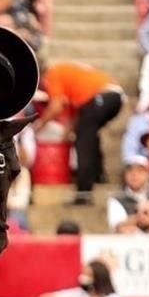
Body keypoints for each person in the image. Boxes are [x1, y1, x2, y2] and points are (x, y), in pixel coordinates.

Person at [31, 60, 125, 205]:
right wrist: (68, 132)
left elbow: (55, 107)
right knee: (88, 132)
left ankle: (84, 193)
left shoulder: (52, 73)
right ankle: (98, 175)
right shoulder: (68, 74)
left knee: (84, 141)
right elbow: (75, 116)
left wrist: (37, 126)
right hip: (114, 97)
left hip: (103, 96)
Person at [39, 260, 122, 297]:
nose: (83, 277)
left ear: (98, 278)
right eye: (82, 273)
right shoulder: (79, 293)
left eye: (88, 275)